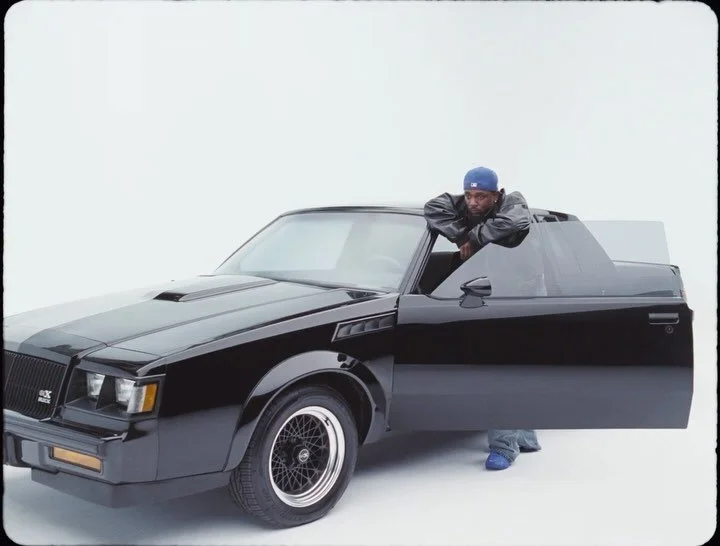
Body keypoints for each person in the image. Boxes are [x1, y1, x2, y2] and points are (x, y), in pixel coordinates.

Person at [423, 165, 542, 470]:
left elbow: (514, 221)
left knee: (500, 372)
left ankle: (504, 447)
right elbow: (432, 207)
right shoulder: (465, 206)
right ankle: (525, 437)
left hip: (522, 299)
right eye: (468, 195)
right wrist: (461, 234)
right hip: (487, 295)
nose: (473, 202)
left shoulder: (513, 204)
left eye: (481, 196)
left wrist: (474, 238)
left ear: (497, 194)